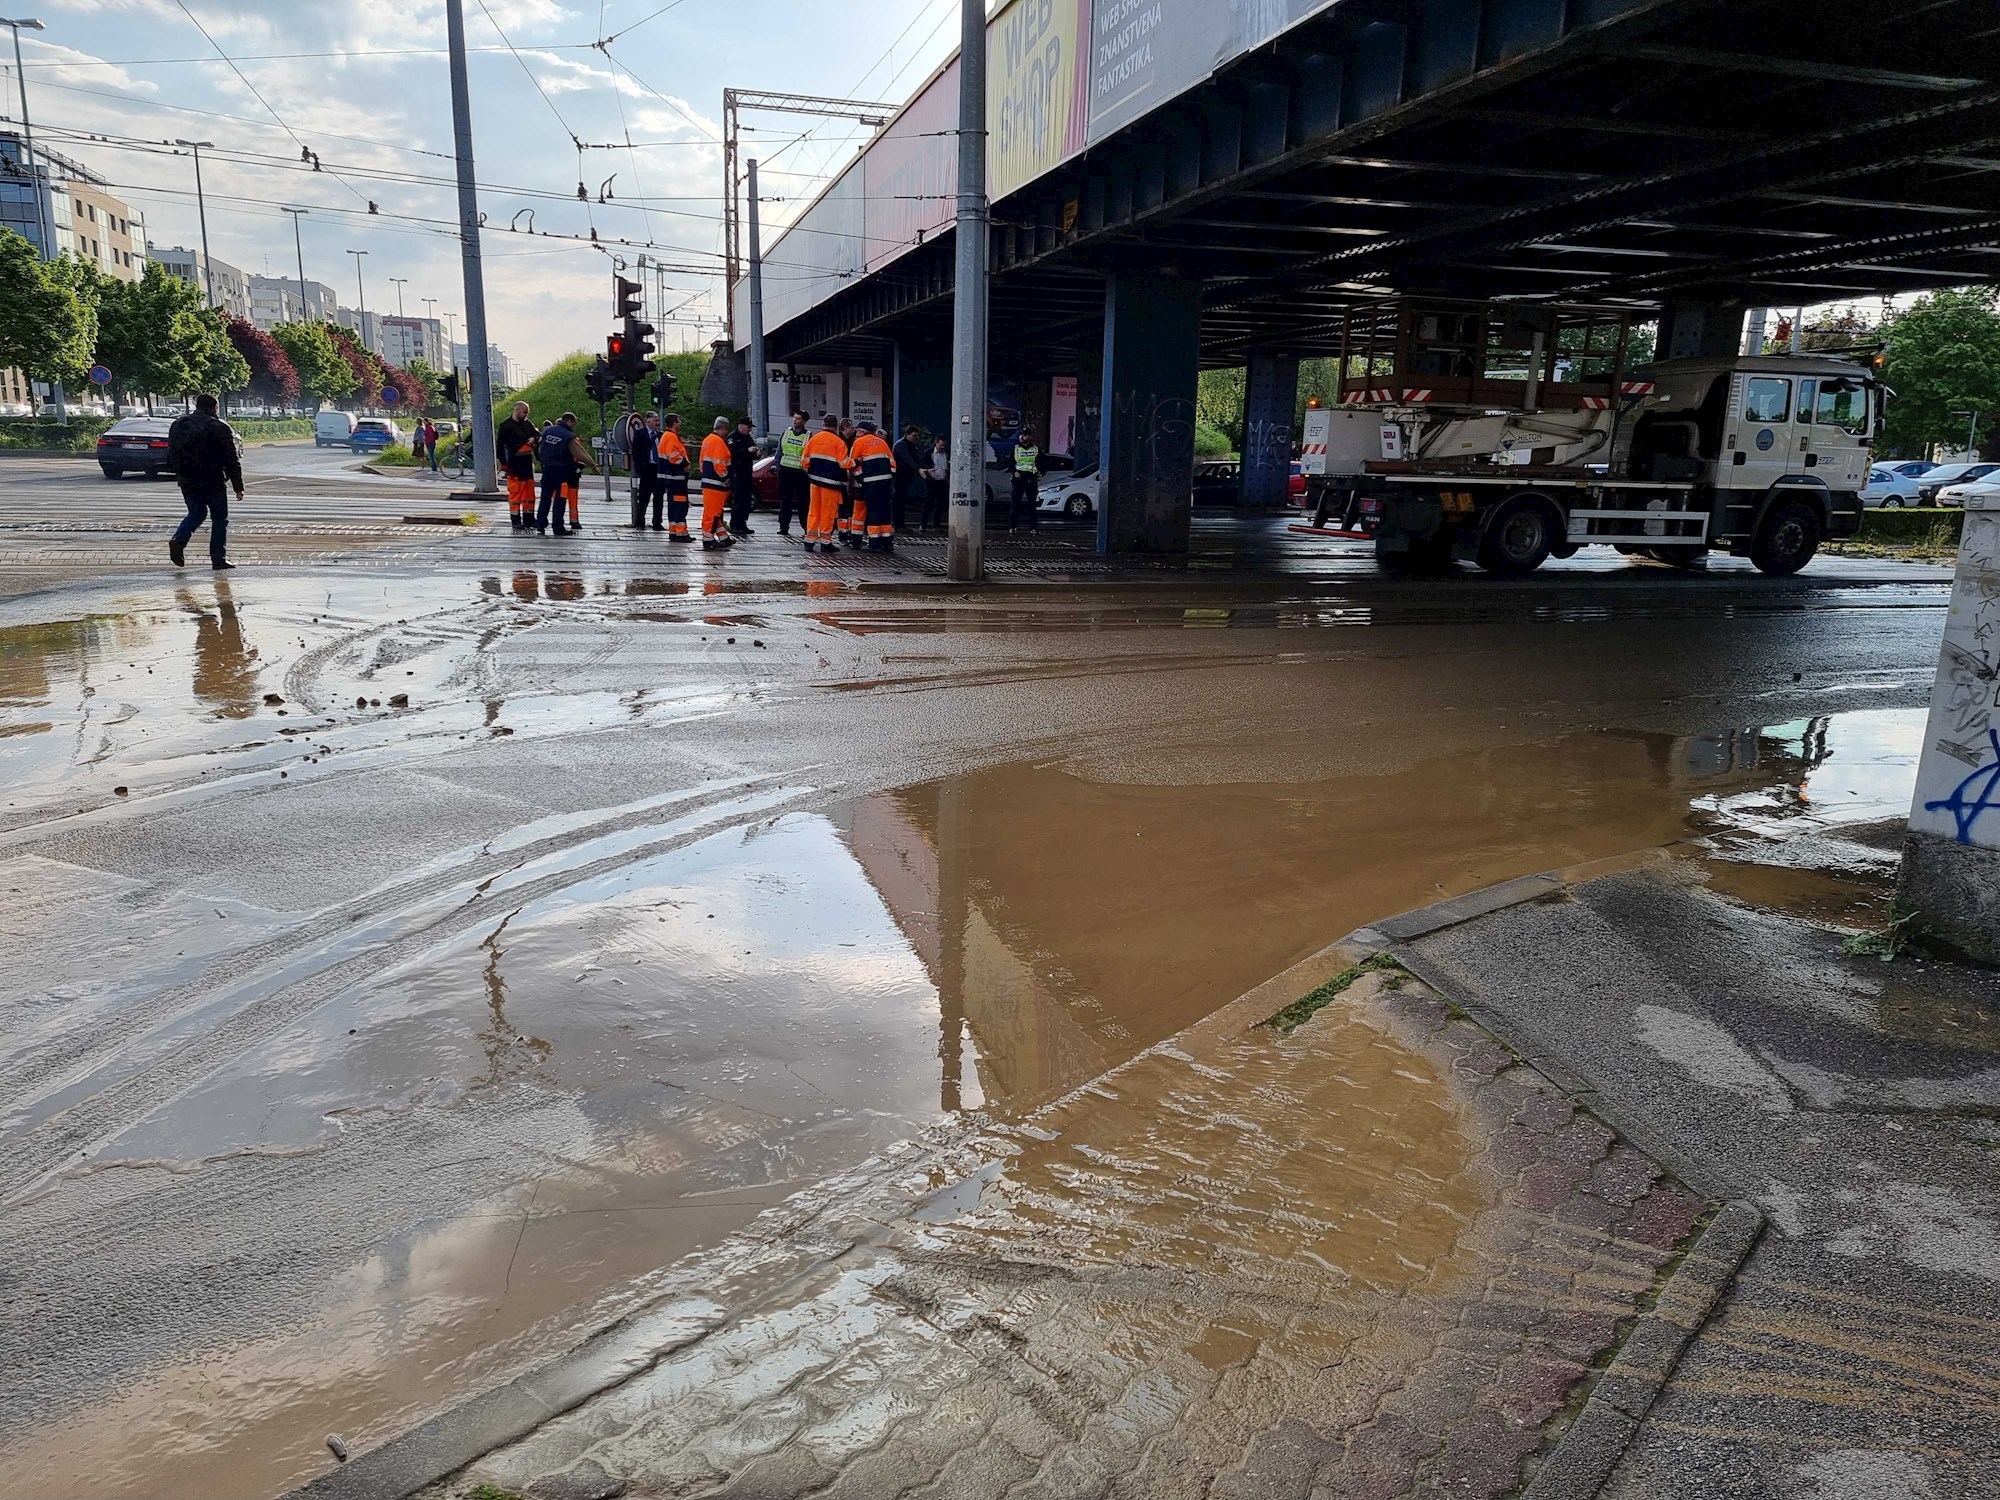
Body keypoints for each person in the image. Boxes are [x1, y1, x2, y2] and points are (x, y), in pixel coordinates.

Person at [166, 393, 243, 570]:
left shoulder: (179, 424)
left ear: (196, 406)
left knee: (196, 513)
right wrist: (238, 487)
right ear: (214, 407)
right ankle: (218, 559)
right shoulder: (219, 427)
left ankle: (179, 539)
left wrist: (178, 473)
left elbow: (171, 453)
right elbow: (231, 459)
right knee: (219, 519)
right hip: (213, 480)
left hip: (187, 479)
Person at [535, 412, 594, 536]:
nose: (573, 426)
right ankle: (558, 527)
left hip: (547, 469)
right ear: (570, 421)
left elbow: (540, 449)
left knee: (545, 498)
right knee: (560, 500)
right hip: (561, 471)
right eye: (573, 424)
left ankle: (540, 524)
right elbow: (580, 453)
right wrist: (593, 465)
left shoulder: (547, 431)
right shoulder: (568, 435)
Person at [802, 413, 851, 555]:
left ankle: (809, 541)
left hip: (815, 482)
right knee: (828, 513)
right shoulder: (838, 442)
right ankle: (825, 542)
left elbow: (804, 461)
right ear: (836, 426)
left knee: (813, 511)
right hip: (831, 484)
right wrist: (855, 462)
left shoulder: (814, 439)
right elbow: (844, 463)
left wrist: (812, 473)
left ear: (823, 424)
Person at [850, 421, 896, 551]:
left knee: (873, 512)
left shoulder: (859, 443)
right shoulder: (882, 442)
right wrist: (889, 478)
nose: (856, 433)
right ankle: (887, 542)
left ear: (863, 431)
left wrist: (860, 478)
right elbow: (892, 464)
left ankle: (874, 543)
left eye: (857, 430)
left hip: (870, 483)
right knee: (885, 512)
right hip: (885, 482)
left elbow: (853, 464)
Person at [495, 401, 538, 530]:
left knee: (529, 493)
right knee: (515, 493)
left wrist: (534, 439)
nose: (526, 415)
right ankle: (515, 519)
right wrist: (503, 463)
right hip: (514, 463)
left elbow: (536, 433)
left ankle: (529, 519)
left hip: (526, 463)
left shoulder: (527, 423)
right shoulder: (506, 425)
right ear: (517, 410)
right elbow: (500, 446)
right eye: (524, 412)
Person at [698, 417, 736, 549]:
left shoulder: (707, 440)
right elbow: (719, 464)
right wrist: (726, 479)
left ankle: (723, 537)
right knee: (713, 513)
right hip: (717, 483)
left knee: (713, 511)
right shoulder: (718, 442)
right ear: (723, 428)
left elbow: (702, 463)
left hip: (708, 481)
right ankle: (708, 539)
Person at [654, 413, 693, 543]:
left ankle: (674, 531)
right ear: (674, 423)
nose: (680, 423)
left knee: (673, 505)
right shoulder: (671, 437)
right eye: (679, 421)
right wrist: (685, 464)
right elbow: (673, 455)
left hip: (670, 478)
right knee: (680, 505)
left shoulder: (667, 436)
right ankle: (681, 533)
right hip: (676, 477)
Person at [775, 411, 809, 537]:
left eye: (798, 419)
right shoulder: (786, 432)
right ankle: (783, 527)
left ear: (804, 421)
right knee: (785, 502)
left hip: (800, 474)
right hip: (785, 472)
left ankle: (806, 528)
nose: (795, 421)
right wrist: (778, 467)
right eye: (794, 418)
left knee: (803, 503)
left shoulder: (808, 436)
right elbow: (779, 451)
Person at [629, 412, 665, 530]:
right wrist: (640, 467)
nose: (657, 423)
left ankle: (657, 522)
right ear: (648, 422)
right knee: (644, 496)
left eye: (658, 421)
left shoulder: (661, 435)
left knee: (658, 497)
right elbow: (636, 452)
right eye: (655, 421)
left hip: (658, 469)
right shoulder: (640, 434)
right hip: (647, 468)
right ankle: (640, 521)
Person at [892, 424, 926, 535]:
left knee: (901, 500)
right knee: (899, 501)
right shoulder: (901, 445)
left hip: (905, 477)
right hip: (899, 477)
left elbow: (917, 458)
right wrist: (919, 469)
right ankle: (898, 524)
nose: (916, 438)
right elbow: (907, 459)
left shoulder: (911, 445)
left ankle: (900, 524)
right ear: (907, 435)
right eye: (914, 436)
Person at [727, 416, 759, 537]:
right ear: (741, 425)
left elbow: (753, 450)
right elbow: (733, 454)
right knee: (738, 500)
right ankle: (735, 524)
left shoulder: (747, 437)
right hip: (737, 473)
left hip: (747, 473)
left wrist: (756, 453)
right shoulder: (733, 437)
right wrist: (747, 450)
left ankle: (743, 523)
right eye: (748, 427)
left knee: (746, 500)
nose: (749, 430)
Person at [1011, 429, 1042, 530]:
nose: (1021, 437)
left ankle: (1033, 527)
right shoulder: (1016, 449)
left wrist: (1040, 473)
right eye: (1021, 435)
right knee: (1015, 504)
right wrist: (1014, 472)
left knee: (1032, 505)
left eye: (1024, 435)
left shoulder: (1035, 449)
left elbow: (1043, 462)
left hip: (1031, 479)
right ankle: (1013, 527)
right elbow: (1010, 462)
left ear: (1029, 437)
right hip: (1018, 480)